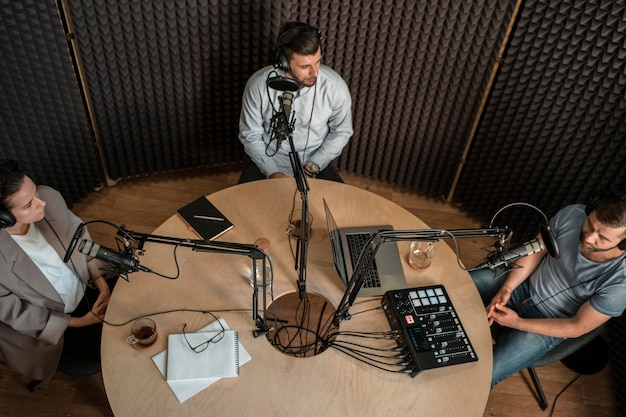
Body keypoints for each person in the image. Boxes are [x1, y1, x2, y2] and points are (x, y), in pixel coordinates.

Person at [470, 189, 626, 387]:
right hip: (524, 283)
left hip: (550, 322)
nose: (589, 238)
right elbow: (536, 250)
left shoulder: (621, 283)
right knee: (455, 283)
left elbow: (577, 327)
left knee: (483, 377)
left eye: (602, 238)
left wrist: (516, 322)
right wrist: (507, 288)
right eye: (590, 224)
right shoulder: (572, 215)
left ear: (623, 244)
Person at [0, 160, 115, 381]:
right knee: (115, 347)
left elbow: (82, 239)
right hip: (57, 324)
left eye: (35, 192)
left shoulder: (49, 197)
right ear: (4, 218)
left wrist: (101, 283)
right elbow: (18, 314)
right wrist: (80, 322)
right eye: (27, 205)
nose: (41, 203)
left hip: (88, 285)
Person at [238, 21, 353, 183]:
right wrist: (272, 172)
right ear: (284, 62)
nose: (315, 72)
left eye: (318, 61)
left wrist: (314, 165)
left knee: (339, 206)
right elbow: (250, 135)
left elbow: (342, 132)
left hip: (315, 160)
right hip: (268, 159)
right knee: (242, 206)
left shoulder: (335, 87)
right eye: (305, 66)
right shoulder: (257, 85)